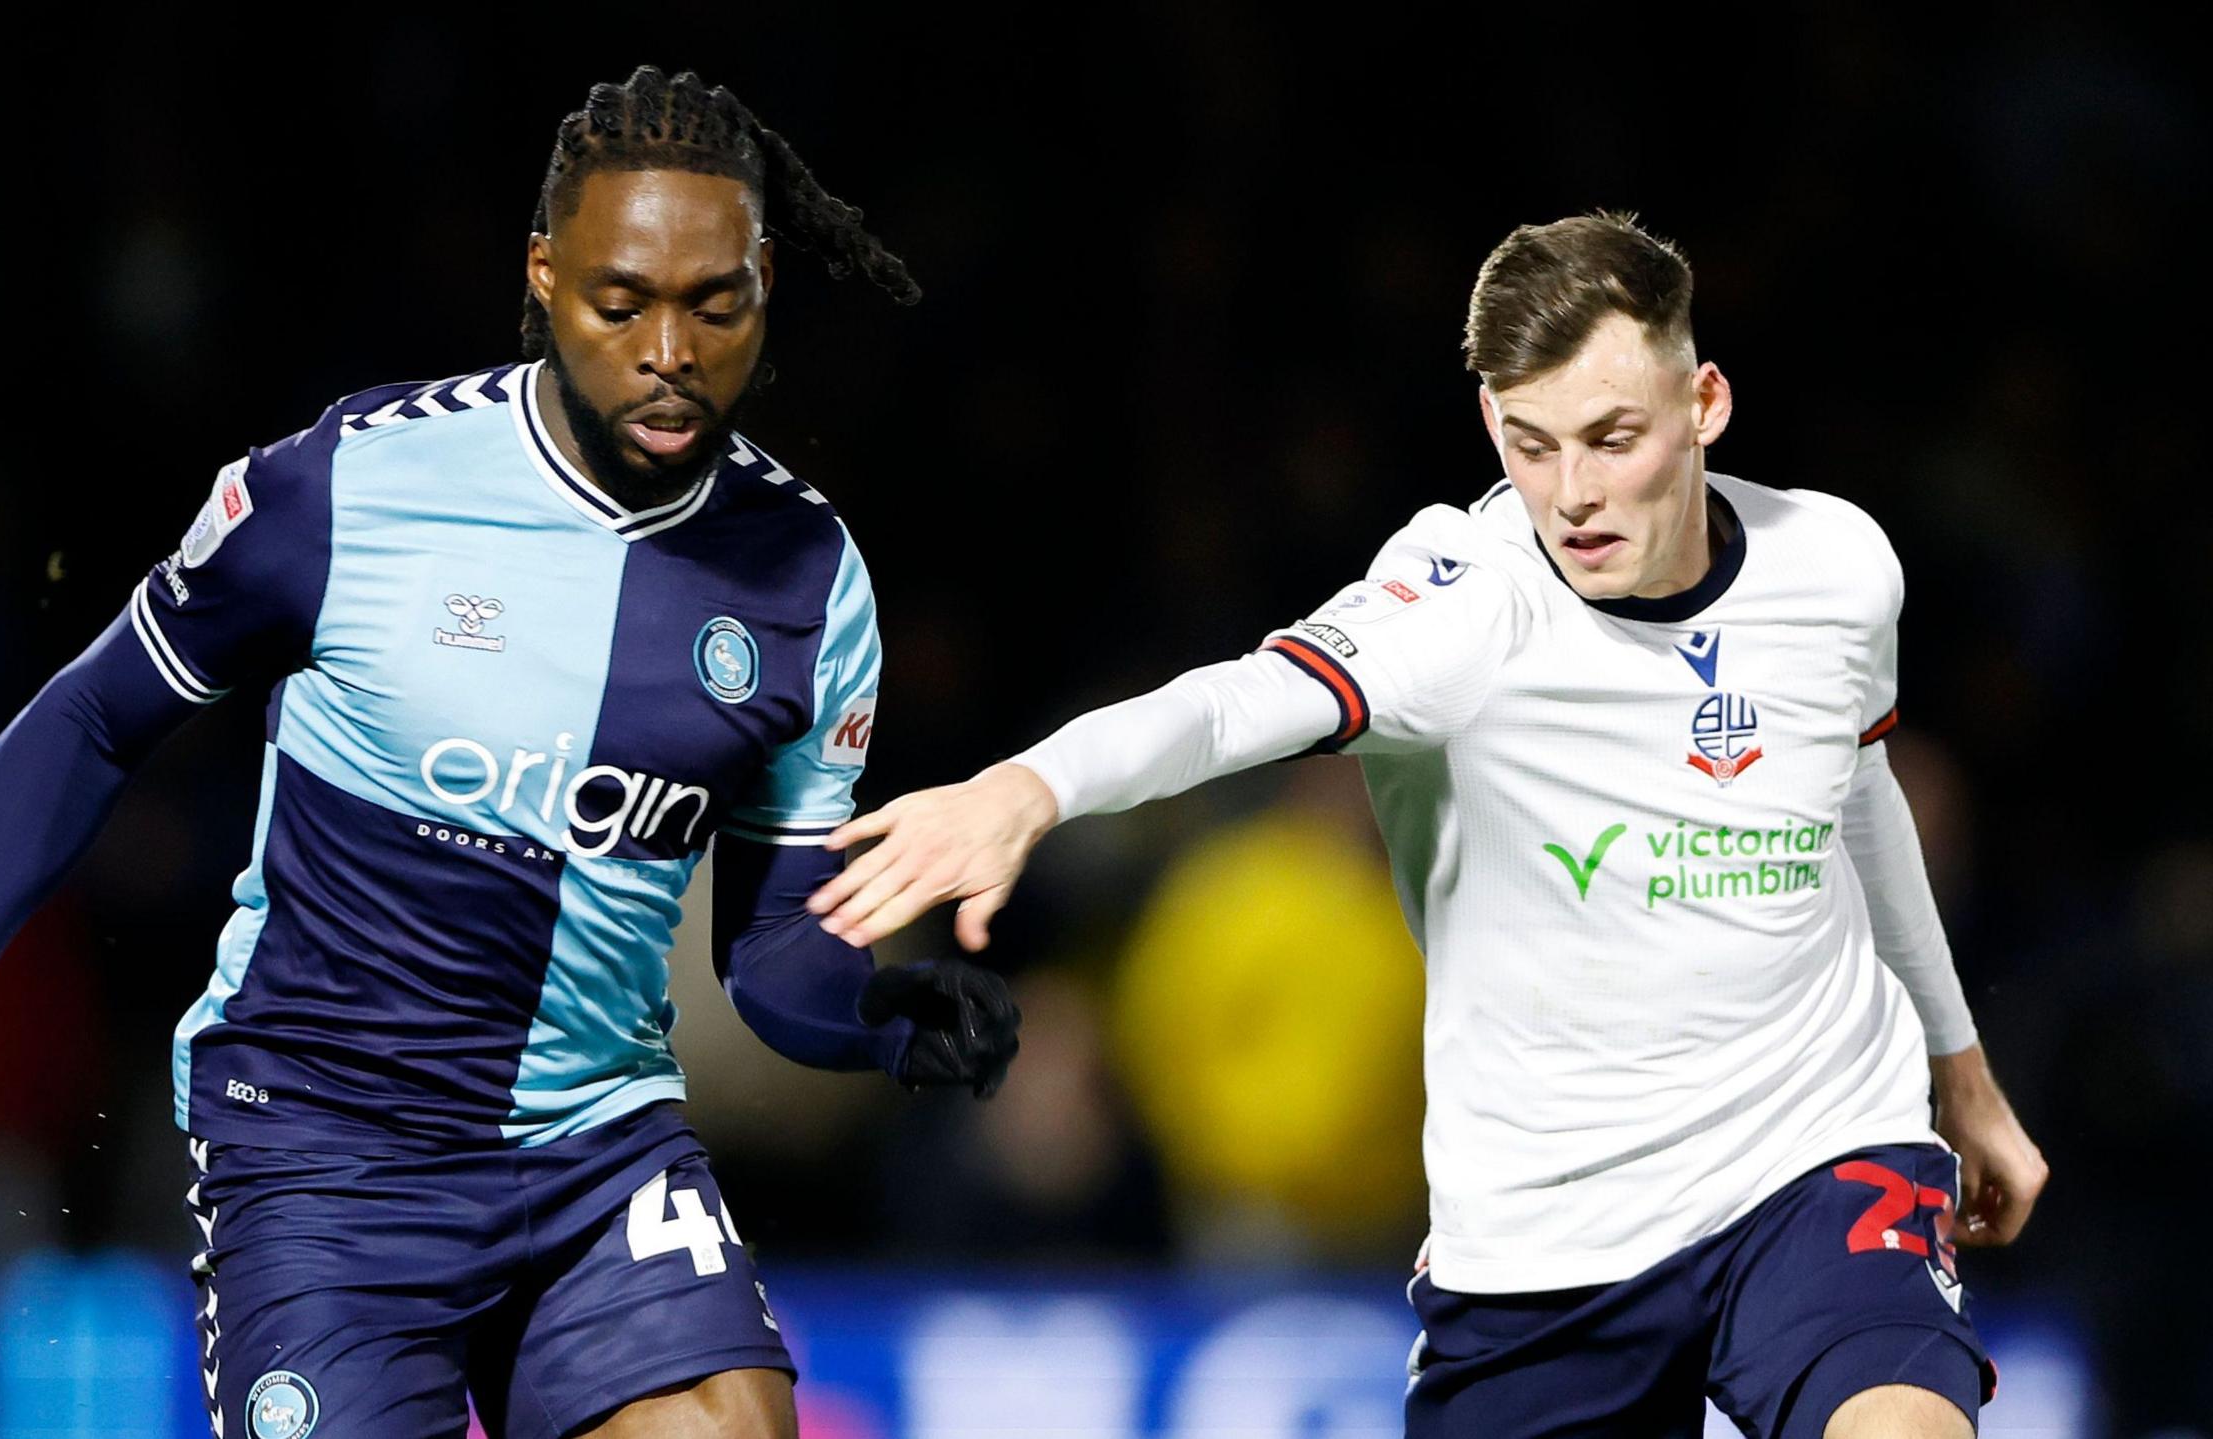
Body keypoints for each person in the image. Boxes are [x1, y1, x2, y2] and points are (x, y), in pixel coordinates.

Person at [0, 65, 1018, 1439]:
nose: (669, 351)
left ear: (764, 291)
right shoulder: (351, 487)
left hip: (593, 1144)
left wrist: (870, 1013)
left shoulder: (808, 579)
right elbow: (96, 717)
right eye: (620, 302)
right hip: (323, 1150)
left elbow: (767, 955)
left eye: (716, 303)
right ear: (544, 275)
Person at [806, 213, 2047, 1438]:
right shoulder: (1462, 600)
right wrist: (1028, 786)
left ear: (1704, 402)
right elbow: (1239, 699)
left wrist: (1960, 1071)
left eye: (1613, 438)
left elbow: (1859, 800)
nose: (1573, 494)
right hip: (1548, 1241)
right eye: (1530, 443)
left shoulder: (1834, 564)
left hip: (1818, 1154)